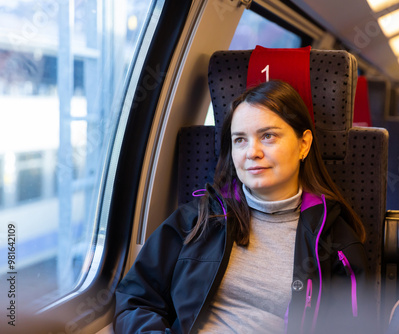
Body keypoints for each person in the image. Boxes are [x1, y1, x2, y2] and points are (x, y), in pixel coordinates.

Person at [113, 80, 376, 333]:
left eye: (268, 136)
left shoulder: (336, 242)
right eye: (240, 140)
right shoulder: (197, 219)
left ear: (303, 144)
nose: (252, 152)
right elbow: (136, 299)